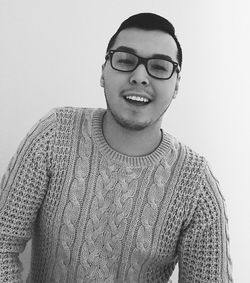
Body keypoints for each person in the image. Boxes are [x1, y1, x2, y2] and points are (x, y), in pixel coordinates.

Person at [0, 12, 233, 283]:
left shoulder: (195, 186)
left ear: (177, 84)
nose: (140, 76)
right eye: (125, 61)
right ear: (103, 72)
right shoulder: (55, 136)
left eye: (159, 67)